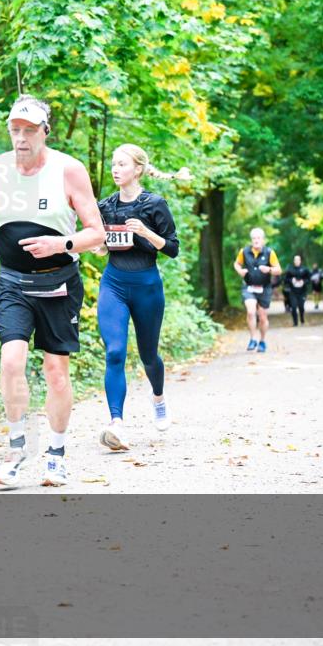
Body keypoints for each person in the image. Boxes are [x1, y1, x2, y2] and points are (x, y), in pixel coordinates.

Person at [0, 95, 104, 487]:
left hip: (58, 284)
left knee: (56, 373)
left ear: (45, 131)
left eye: (29, 131)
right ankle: (16, 453)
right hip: (12, 282)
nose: (21, 138)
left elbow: (96, 233)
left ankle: (56, 455)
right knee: (11, 361)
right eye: (15, 130)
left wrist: (59, 245)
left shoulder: (69, 170)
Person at [92, 145, 187, 451]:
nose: (115, 169)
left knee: (148, 356)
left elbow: (172, 249)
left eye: (121, 164)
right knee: (115, 352)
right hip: (114, 284)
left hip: (147, 286)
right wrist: (101, 246)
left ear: (138, 170)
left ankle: (158, 397)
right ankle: (116, 423)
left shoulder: (155, 204)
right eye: (113, 164)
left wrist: (146, 232)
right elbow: (103, 244)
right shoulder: (105, 205)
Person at [233, 228, 282, 353]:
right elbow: (237, 264)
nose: (256, 241)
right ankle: (253, 338)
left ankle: (262, 341)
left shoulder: (269, 252)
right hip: (249, 286)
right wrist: (240, 271)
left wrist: (269, 269)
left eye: (258, 238)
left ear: (263, 240)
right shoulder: (244, 252)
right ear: (251, 240)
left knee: (263, 317)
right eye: (254, 238)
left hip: (264, 288)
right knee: (250, 312)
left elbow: (278, 270)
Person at [284, 254, 311, 326]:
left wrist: (304, 282)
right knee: (293, 307)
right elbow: (285, 279)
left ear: (300, 261)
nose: (296, 261)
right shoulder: (290, 270)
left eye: (298, 260)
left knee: (301, 307)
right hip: (293, 292)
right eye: (295, 260)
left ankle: (302, 320)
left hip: (302, 291)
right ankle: (295, 322)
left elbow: (309, 279)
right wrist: (291, 280)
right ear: (293, 261)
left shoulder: (305, 269)